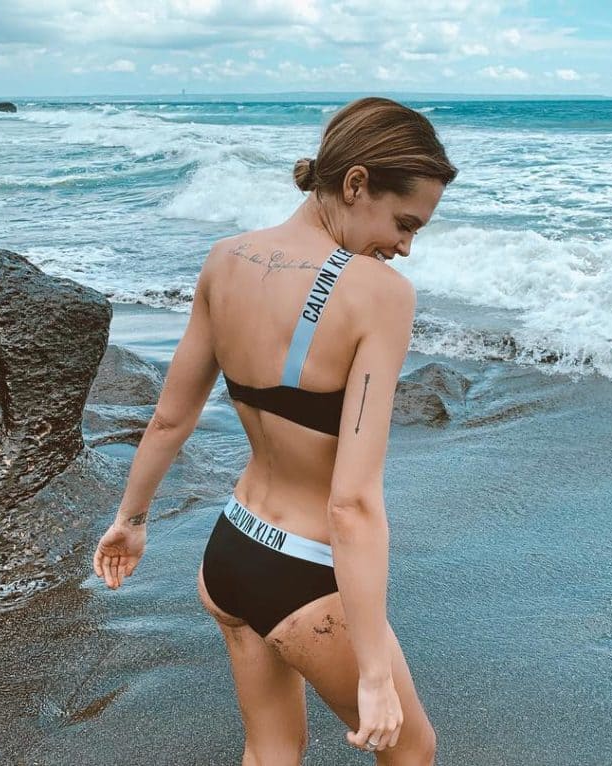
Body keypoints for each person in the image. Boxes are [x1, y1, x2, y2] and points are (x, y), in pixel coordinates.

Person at [93, 96, 457, 765]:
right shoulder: (378, 294)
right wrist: (374, 672)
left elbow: (171, 418)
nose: (405, 247)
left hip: (231, 549)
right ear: (356, 184)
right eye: (404, 223)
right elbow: (351, 504)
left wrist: (131, 520)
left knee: (270, 752)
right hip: (305, 571)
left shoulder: (225, 258)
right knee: (411, 751)